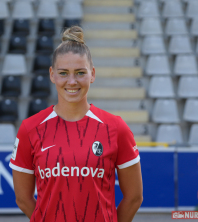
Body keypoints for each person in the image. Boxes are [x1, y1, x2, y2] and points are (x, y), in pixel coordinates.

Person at [10, 26, 143, 222]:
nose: (72, 81)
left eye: (80, 72)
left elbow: (134, 198)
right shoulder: (30, 129)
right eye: (63, 73)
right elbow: (22, 198)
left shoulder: (116, 128)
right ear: (52, 74)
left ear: (93, 74)